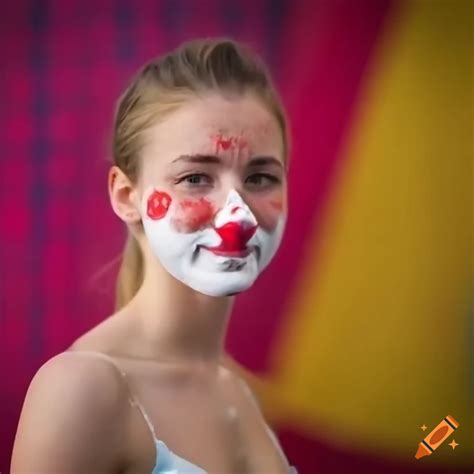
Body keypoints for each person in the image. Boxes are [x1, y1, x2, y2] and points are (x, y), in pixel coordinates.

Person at [11, 38, 297, 474]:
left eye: (260, 177)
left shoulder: (240, 391)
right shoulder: (82, 389)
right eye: (196, 178)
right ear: (127, 196)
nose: (237, 215)